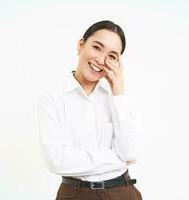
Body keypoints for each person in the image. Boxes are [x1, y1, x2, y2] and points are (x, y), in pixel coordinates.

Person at [38, 20, 143, 200]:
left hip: (123, 191)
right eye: (96, 47)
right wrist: (116, 159)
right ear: (81, 45)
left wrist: (118, 93)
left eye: (112, 56)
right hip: (76, 194)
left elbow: (129, 152)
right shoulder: (53, 97)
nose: (101, 60)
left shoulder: (117, 97)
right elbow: (56, 160)